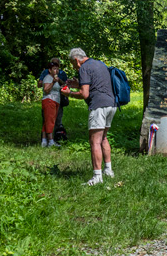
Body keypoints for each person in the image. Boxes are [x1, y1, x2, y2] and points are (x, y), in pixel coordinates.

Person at [62, 48, 118, 186]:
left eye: (72, 63)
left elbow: (84, 94)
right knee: (104, 138)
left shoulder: (84, 68)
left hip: (98, 106)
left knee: (94, 141)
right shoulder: (100, 64)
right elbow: (96, 84)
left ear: (76, 60)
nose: (74, 67)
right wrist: (78, 84)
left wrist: (69, 93)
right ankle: (108, 170)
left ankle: (97, 177)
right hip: (111, 104)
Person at [38, 57, 67, 142]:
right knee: (49, 120)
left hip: (57, 100)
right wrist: (53, 82)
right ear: (50, 69)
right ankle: (50, 141)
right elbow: (46, 89)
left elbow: (65, 83)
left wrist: (59, 82)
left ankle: (49, 139)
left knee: (52, 120)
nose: (56, 70)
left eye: (57, 67)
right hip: (50, 100)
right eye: (54, 67)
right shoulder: (47, 76)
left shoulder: (61, 74)